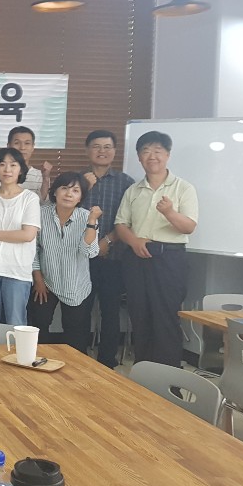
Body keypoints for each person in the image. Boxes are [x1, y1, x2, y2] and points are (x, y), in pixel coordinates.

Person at [115, 131, 198, 367]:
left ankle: (167, 377)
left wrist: (169, 212)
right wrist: (134, 242)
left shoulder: (183, 188)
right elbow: (120, 224)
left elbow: (189, 226)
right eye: (146, 151)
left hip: (169, 259)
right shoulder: (133, 190)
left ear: (167, 155)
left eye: (157, 151)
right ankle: (144, 374)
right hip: (136, 258)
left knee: (166, 317)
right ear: (139, 157)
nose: (152, 156)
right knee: (139, 316)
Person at [29, 172, 102, 354]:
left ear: (80, 197)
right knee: (38, 323)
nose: (69, 194)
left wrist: (91, 222)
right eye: (64, 188)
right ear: (55, 192)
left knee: (75, 332)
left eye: (75, 191)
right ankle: (38, 361)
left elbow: (89, 252)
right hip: (46, 280)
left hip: (75, 283)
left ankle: (74, 368)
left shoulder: (86, 217)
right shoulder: (41, 214)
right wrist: (38, 279)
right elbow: (33, 249)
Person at [81, 130, 135, 368]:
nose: (101, 151)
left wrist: (107, 241)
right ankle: (79, 358)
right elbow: (65, 213)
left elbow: (130, 220)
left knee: (110, 311)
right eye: (96, 146)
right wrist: (84, 187)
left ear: (114, 151)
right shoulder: (77, 181)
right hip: (81, 258)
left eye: (107, 147)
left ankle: (106, 362)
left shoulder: (126, 183)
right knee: (80, 310)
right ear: (87, 150)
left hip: (114, 257)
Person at [0, 148, 42, 325]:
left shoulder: (30, 198)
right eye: (2, 164)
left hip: (17, 270)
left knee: (16, 322)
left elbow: (27, 235)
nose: (7, 169)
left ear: (21, 169)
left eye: (13, 165)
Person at [8, 126, 52, 201]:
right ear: (8, 146)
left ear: (32, 147)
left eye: (27, 143)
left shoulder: (40, 175)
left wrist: (45, 179)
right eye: (17, 143)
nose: (22, 147)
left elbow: (42, 203)